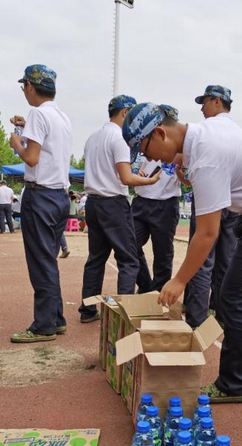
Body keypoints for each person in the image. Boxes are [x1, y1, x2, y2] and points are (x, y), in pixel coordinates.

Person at [122, 102, 242, 403]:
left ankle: (233, 384)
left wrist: (179, 281)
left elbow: (207, 233)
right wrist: (185, 163)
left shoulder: (206, 159)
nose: (148, 159)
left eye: (145, 149)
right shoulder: (211, 128)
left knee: (234, 297)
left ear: (160, 133)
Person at [77, 95, 160, 324]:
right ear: (125, 112)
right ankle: (124, 313)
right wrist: (150, 181)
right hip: (113, 203)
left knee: (96, 259)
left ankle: (87, 309)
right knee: (129, 259)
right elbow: (125, 178)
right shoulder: (121, 138)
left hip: (93, 202)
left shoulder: (92, 138)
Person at [9, 64, 72, 343]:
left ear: (30, 87)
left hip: (40, 195)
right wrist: (27, 129)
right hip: (59, 195)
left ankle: (44, 325)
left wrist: (16, 143)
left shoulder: (38, 114)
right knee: (48, 260)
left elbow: (31, 158)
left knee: (41, 262)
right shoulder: (61, 116)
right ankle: (55, 318)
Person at [184, 85, 240, 329]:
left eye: (204, 102)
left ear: (217, 101)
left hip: (210, 198)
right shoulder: (238, 132)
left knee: (202, 257)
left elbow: (188, 173)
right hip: (233, 201)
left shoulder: (202, 131)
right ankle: (222, 314)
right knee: (226, 260)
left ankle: (196, 319)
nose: (202, 108)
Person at [132, 105, 181, 293]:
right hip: (141, 201)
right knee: (129, 244)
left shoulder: (178, 147)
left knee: (163, 253)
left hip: (166, 204)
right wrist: (134, 170)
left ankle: (158, 293)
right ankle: (145, 285)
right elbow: (130, 164)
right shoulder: (144, 140)